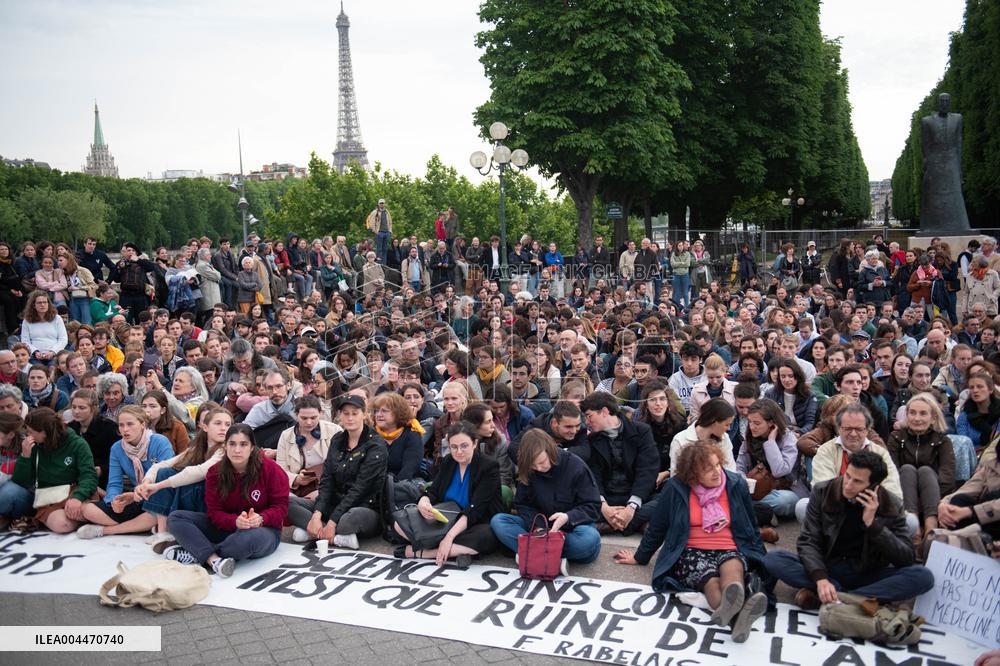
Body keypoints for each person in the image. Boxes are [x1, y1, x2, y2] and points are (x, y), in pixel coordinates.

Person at [613, 441, 768, 644]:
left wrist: (763, 560)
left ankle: (733, 609)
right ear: (693, 474)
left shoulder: (735, 484)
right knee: (711, 582)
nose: (715, 472)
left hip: (728, 545)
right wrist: (640, 557)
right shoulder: (676, 488)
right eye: (707, 469)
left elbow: (750, 525)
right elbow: (658, 527)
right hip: (690, 550)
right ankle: (739, 619)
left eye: (717, 465)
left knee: (733, 575)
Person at [764, 449, 934, 608]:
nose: (848, 485)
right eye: (848, 476)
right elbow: (809, 541)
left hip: (867, 573)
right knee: (773, 558)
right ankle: (848, 597)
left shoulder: (891, 504)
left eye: (857, 481)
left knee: (923, 577)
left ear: (873, 486)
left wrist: (873, 526)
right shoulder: (824, 491)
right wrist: (821, 578)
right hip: (828, 567)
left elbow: (905, 558)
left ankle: (843, 597)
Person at [164, 423, 289, 577]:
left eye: (243, 444)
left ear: (252, 447)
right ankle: (213, 559)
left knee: (246, 540)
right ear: (225, 446)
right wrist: (235, 521)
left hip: (262, 530)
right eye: (232, 444)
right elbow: (214, 512)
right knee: (176, 518)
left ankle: (196, 550)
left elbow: (281, 507)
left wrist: (261, 518)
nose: (237, 450)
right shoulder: (215, 472)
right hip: (227, 527)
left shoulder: (271, 469)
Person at [491, 429, 602, 574]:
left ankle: (531, 554)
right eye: (533, 465)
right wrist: (538, 526)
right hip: (540, 527)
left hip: (571, 528)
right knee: (499, 521)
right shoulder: (528, 469)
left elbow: (592, 506)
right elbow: (523, 504)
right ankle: (552, 558)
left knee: (589, 539)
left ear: (550, 450)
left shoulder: (576, 466)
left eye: (542, 462)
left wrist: (567, 517)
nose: (538, 468)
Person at [394, 422, 501, 565]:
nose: (459, 452)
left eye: (464, 446)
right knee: (398, 524)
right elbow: (434, 490)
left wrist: (449, 537)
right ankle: (455, 551)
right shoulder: (449, 461)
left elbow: (476, 509)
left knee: (485, 536)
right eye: (454, 447)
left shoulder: (488, 466)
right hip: (446, 518)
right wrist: (423, 501)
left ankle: (426, 553)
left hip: (474, 522)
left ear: (474, 443)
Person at [133, 407, 234, 553]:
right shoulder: (198, 448)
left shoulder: (225, 449)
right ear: (205, 427)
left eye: (228, 424)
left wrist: (158, 486)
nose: (223, 428)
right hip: (198, 498)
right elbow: (165, 463)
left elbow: (199, 472)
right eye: (218, 423)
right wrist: (147, 482)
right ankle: (163, 532)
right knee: (164, 471)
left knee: (185, 481)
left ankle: (171, 530)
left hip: (216, 503)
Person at [293, 395, 387, 549]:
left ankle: (319, 531)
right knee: (287, 502)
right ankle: (323, 530)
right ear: (340, 415)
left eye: (354, 413)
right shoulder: (337, 439)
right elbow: (327, 479)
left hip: (364, 507)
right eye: (345, 413)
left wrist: (333, 521)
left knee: (349, 520)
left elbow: (360, 489)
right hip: (335, 503)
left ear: (364, 414)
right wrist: (317, 514)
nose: (350, 418)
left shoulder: (376, 445)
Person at [75, 406, 175, 539]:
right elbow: (114, 483)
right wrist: (114, 501)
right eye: (121, 425)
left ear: (142, 424)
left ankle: (105, 531)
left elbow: (163, 478)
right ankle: (138, 525)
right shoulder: (117, 448)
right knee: (87, 509)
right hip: (135, 498)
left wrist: (135, 496)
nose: (125, 429)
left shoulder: (160, 442)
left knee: (157, 513)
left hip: (159, 495)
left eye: (130, 424)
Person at [0, 407, 98, 533]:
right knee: (9, 491)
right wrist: (25, 457)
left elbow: (89, 475)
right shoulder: (33, 446)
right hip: (45, 498)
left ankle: (83, 514)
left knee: (64, 523)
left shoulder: (77, 444)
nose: (28, 435)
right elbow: (20, 481)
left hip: (72, 492)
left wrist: (77, 497)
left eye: (31, 432)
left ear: (44, 432)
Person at [579, 391, 659, 535]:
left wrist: (631, 507)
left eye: (589, 416)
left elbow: (647, 470)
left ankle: (614, 524)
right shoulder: (592, 439)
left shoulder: (642, 431)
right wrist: (604, 507)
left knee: (667, 498)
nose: (587, 421)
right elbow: (593, 476)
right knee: (577, 502)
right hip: (608, 498)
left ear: (604, 411)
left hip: (637, 497)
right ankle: (632, 523)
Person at [886, 393, 956, 542]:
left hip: (934, 497)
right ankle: (914, 526)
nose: (917, 418)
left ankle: (931, 525)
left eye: (923, 413)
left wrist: (924, 498)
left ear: (933, 418)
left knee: (925, 471)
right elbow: (891, 472)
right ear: (907, 415)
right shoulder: (896, 437)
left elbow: (947, 477)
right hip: (903, 495)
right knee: (907, 470)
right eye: (912, 413)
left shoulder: (942, 441)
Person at [736, 400, 807, 518]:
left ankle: (748, 509)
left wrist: (771, 442)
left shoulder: (788, 438)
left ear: (771, 423)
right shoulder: (749, 438)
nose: (752, 427)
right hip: (758, 490)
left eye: (757, 423)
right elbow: (739, 467)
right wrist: (745, 482)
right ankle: (759, 512)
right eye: (750, 422)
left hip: (785, 489)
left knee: (784, 501)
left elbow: (780, 471)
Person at [669, 398, 737, 474]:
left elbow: (731, 470)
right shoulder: (680, 440)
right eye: (726, 424)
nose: (728, 428)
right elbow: (676, 475)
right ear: (714, 421)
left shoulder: (724, 438)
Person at [67, 388, 117, 489]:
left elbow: (117, 458)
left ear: (93, 408)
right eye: (74, 407)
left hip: (103, 479)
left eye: (82, 408)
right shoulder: (69, 428)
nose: (76, 411)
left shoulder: (109, 428)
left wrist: (102, 469)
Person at [369, 391, 424, 481]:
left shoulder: (412, 434)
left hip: (403, 484)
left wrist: (390, 488)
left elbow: (409, 469)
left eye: (384, 411)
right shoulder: (371, 434)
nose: (379, 414)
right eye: (376, 411)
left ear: (398, 413)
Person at [764, 358, 817, 434]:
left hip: (800, 433)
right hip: (778, 431)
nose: (787, 380)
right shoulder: (770, 394)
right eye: (783, 376)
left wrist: (799, 433)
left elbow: (810, 423)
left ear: (797, 376)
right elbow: (767, 418)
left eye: (790, 376)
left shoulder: (809, 396)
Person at [19, 291, 67, 364]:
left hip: (54, 355)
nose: (42, 305)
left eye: (45, 302)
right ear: (34, 305)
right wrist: (35, 352)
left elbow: (63, 339)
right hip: (34, 356)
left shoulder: (57, 318)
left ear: (48, 304)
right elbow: (25, 340)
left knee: (52, 369)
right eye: (39, 303)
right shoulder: (27, 320)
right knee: (38, 370)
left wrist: (53, 351)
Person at [956, 371, 1000, 450]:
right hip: (972, 456)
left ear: (990, 390)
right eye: (971, 387)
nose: (975, 390)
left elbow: (997, 442)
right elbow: (963, 444)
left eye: (980, 386)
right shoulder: (964, 416)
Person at [141, 390, 190, 454]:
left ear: (163, 410)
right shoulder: (138, 425)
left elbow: (185, 454)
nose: (147, 410)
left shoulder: (177, 427)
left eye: (153, 406)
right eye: (144, 406)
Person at [366, 198, 393, 263]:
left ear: (384, 204)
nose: (382, 204)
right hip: (379, 232)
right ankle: (379, 263)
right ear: (378, 204)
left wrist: (390, 231)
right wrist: (375, 231)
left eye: (383, 203)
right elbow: (371, 221)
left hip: (386, 232)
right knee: (379, 249)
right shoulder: (375, 212)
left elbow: (390, 221)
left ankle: (384, 263)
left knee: (385, 249)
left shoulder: (387, 212)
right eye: (380, 203)